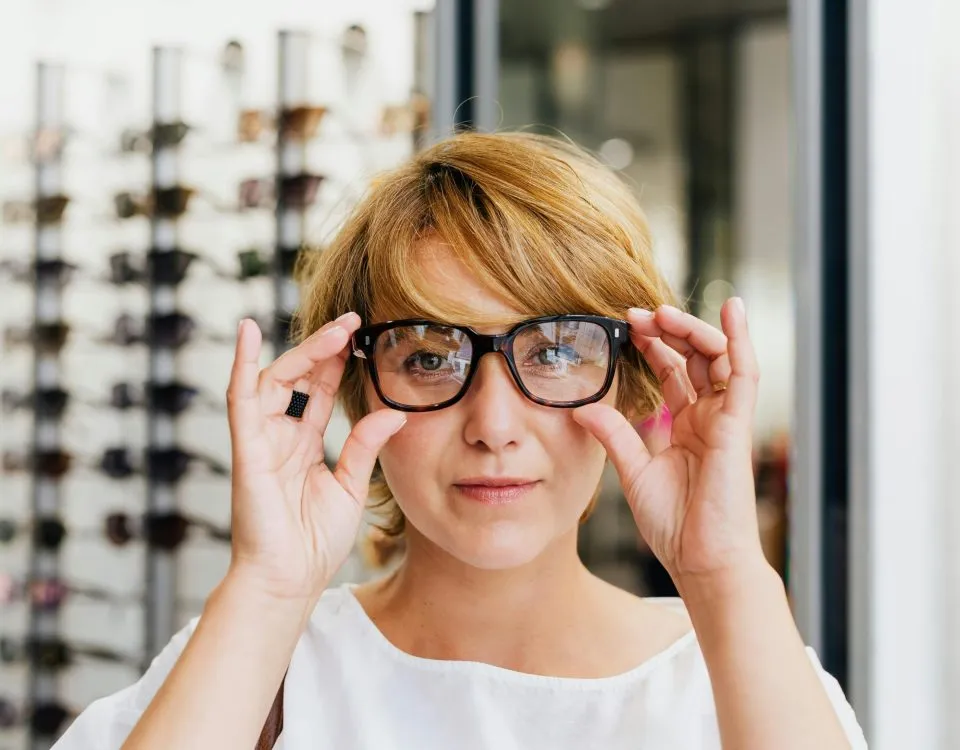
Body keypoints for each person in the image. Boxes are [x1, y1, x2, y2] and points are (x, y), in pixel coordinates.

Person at [53, 132, 867, 749]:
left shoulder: (737, 674)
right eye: (430, 357)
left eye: (552, 353)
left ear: (634, 376)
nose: (493, 427)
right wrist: (268, 586)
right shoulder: (247, 667)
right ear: (355, 382)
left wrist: (726, 574)